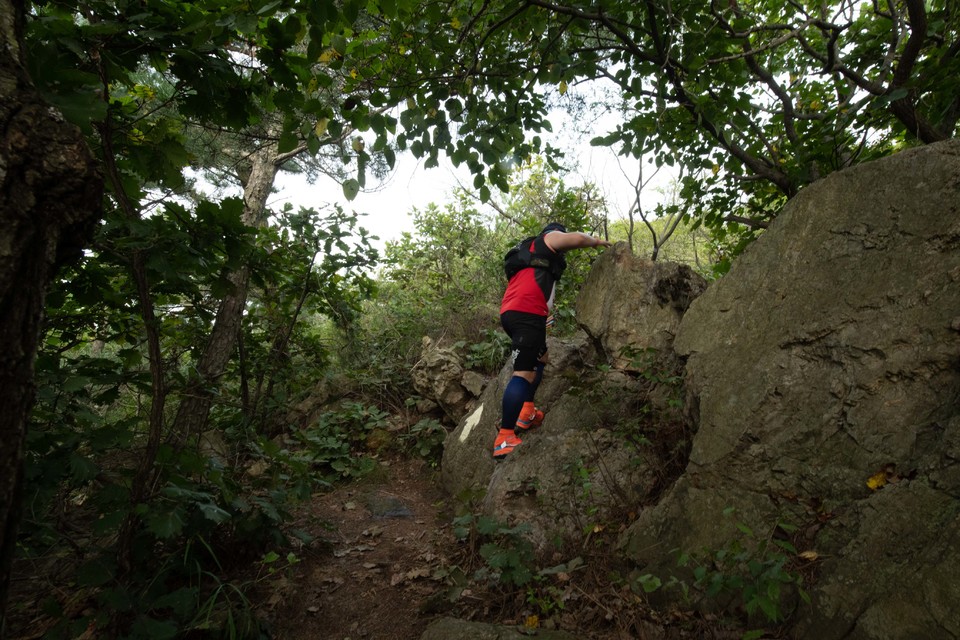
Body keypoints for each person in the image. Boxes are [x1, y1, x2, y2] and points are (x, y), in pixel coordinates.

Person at [493, 222, 612, 460]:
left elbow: (540, 291)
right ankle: (504, 438)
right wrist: (597, 242)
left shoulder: (530, 257)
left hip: (515, 312)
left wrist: (544, 324)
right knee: (523, 373)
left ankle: (526, 412)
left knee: (541, 358)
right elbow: (578, 238)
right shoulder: (548, 238)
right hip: (527, 314)